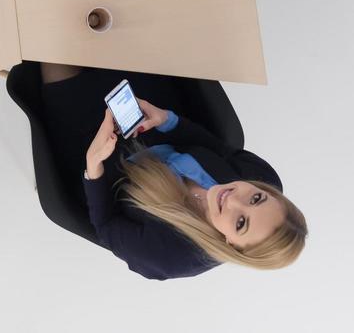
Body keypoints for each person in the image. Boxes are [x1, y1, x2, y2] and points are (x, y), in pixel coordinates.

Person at [37, 64, 306, 278]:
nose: (233, 198)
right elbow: (217, 146)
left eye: (240, 223)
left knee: (58, 55)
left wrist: (94, 164)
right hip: (149, 125)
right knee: (120, 32)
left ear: (232, 246)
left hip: (105, 166)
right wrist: (167, 120)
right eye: (257, 198)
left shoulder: (171, 255)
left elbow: (106, 227)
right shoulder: (263, 178)